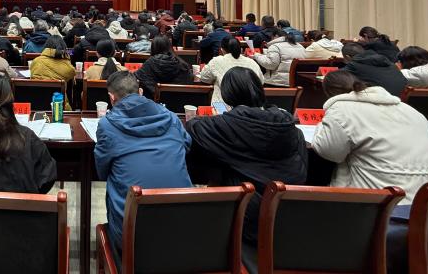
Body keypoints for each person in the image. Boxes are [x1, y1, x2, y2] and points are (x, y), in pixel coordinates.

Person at [187, 67, 308, 246]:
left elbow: (193, 127)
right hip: (290, 215)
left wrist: (221, 118)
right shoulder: (289, 125)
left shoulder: (228, 125)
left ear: (227, 95)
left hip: (248, 219)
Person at [311, 70, 428, 202]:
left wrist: (320, 127)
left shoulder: (341, 110)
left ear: (328, 93)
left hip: (389, 202)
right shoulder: (410, 110)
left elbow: (331, 152)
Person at [95, 70, 192, 258]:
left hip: (133, 237)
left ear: (111, 98)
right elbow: (187, 146)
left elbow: (102, 171)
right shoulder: (171, 117)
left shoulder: (107, 125)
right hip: (183, 228)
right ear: (140, 92)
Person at [199, 38, 263, 105]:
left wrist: (215, 79)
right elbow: (261, 81)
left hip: (222, 106)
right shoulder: (252, 62)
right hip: (251, 106)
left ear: (222, 49)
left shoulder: (216, 61)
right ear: (240, 49)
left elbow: (204, 77)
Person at [134, 35, 193, 100]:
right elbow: (189, 79)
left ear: (153, 48)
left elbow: (137, 77)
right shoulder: (182, 64)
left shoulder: (150, 62)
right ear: (170, 47)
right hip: (179, 102)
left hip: (153, 102)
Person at [341, 42, 407, 97]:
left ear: (347, 57)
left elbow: (337, 77)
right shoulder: (384, 59)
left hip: (381, 101)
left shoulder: (354, 65)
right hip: (400, 98)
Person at [30, 37, 75, 107]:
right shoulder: (68, 67)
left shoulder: (36, 61)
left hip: (35, 105)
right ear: (64, 48)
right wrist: (66, 58)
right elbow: (72, 74)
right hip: (59, 108)